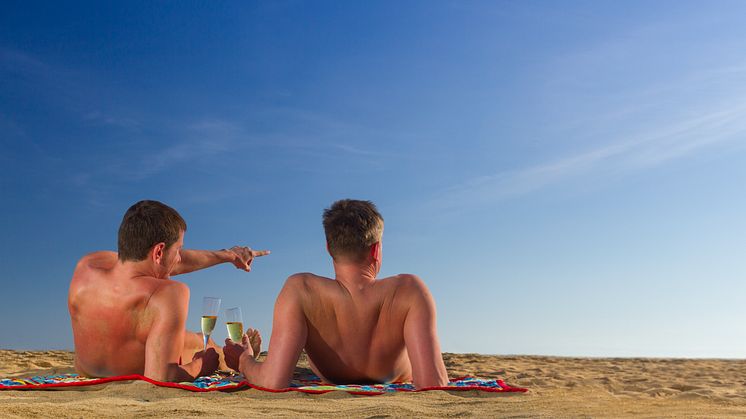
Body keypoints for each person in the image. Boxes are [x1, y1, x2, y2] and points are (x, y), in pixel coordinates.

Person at [223, 199, 448, 389]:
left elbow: (272, 382)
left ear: (329, 248)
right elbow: (433, 385)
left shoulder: (301, 290)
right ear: (376, 249)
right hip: (397, 379)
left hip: (331, 378)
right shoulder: (409, 291)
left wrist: (244, 360)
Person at [68, 200, 269, 382]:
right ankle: (240, 357)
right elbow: (161, 378)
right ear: (159, 251)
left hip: (88, 369)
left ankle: (238, 354)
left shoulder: (89, 265)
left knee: (191, 337)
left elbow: (153, 264)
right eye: (178, 250)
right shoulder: (168, 294)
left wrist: (229, 255)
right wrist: (202, 365)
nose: (179, 258)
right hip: (137, 370)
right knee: (201, 345)